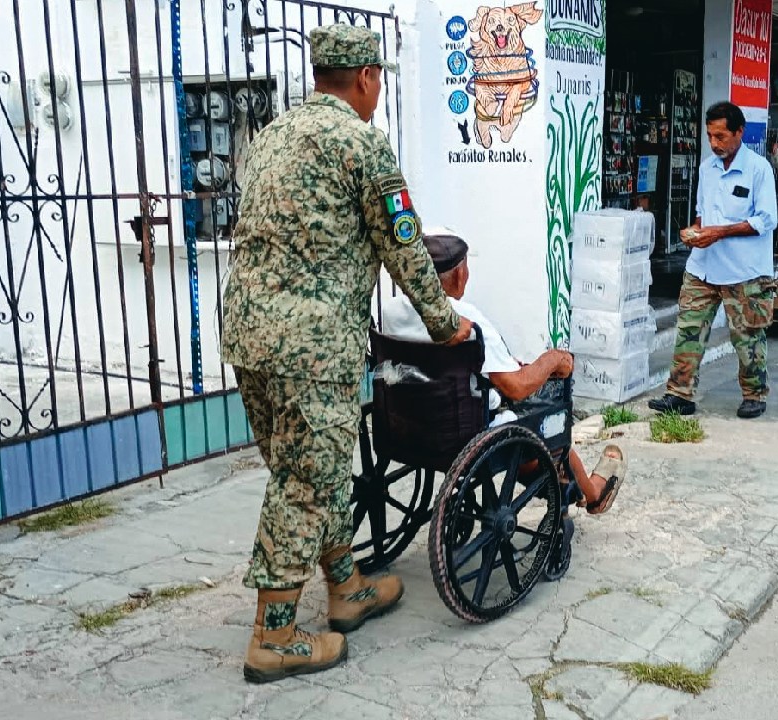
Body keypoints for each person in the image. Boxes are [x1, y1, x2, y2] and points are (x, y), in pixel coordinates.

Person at [220, 24, 474, 684]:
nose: (380, 88)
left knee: (312, 465)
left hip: (247, 333)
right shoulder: (361, 142)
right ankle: (273, 638)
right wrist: (446, 325)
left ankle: (347, 587)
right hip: (310, 343)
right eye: (380, 77)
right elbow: (405, 247)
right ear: (365, 77)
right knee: (306, 481)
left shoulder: (272, 133)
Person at [379, 229, 627, 516]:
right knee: (550, 422)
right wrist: (552, 359)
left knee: (519, 419)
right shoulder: (466, 320)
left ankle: (551, 475)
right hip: (465, 432)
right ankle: (593, 494)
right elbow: (516, 387)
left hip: (407, 424)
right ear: (460, 275)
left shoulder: (392, 310)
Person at [648, 101, 778, 420]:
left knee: (747, 335)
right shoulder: (707, 168)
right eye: (710, 136)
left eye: (721, 136)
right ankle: (679, 394)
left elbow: (765, 220)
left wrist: (719, 232)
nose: (715, 143)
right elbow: (702, 214)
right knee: (689, 329)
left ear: (739, 132)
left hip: (744, 271)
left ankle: (753, 394)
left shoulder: (759, 170)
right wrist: (694, 231)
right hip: (703, 265)